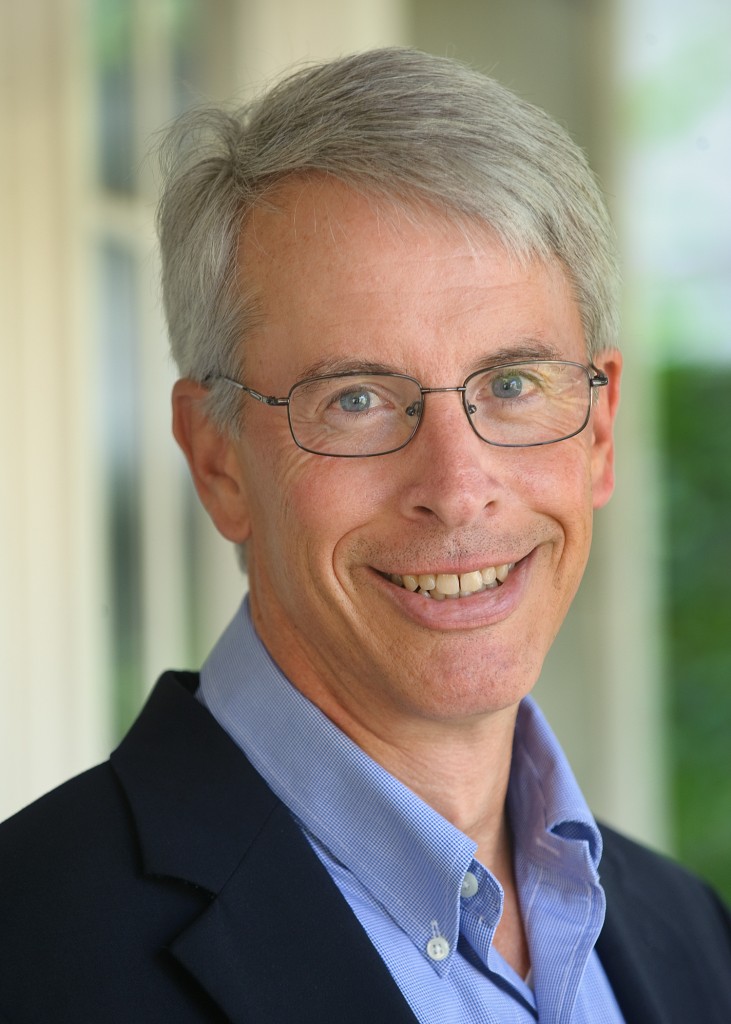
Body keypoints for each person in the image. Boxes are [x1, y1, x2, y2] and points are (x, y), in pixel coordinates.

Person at [1, 47, 729, 1024]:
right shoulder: (30, 952)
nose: (456, 490)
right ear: (217, 461)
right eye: (355, 398)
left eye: (511, 384)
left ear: (598, 433)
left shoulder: (692, 937)